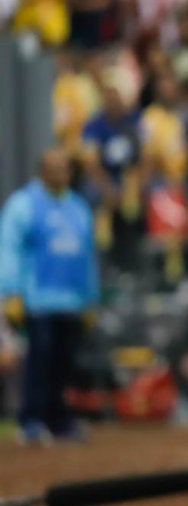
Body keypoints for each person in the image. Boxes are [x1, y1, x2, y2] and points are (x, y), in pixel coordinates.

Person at [0, 147, 99, 445]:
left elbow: (87, 255)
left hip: (71, 302)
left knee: (63, 363)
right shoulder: (23, 205)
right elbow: (9, 249)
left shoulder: (78, 208)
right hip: (38, 299)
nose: (61, 173)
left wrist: (90, 298)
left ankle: (59, 420)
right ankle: (31, 420)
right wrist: (11, 292)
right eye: (55, 168)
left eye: (65, 168)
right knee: (39, 362)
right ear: (42, 171)